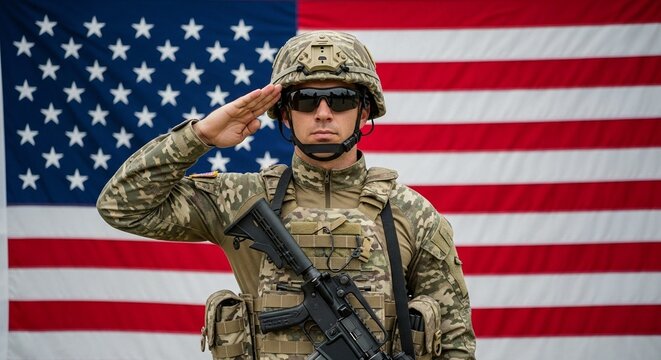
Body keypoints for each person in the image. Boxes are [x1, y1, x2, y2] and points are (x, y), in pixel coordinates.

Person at [97, 31, 476, 360]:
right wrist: (201, 137)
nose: (323, 114)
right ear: (284, 113)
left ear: (364, 112)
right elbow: (123, 206)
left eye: (341, 100)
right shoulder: (241, 198)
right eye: (306, 101)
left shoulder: (412, 213)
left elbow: (456, 341)